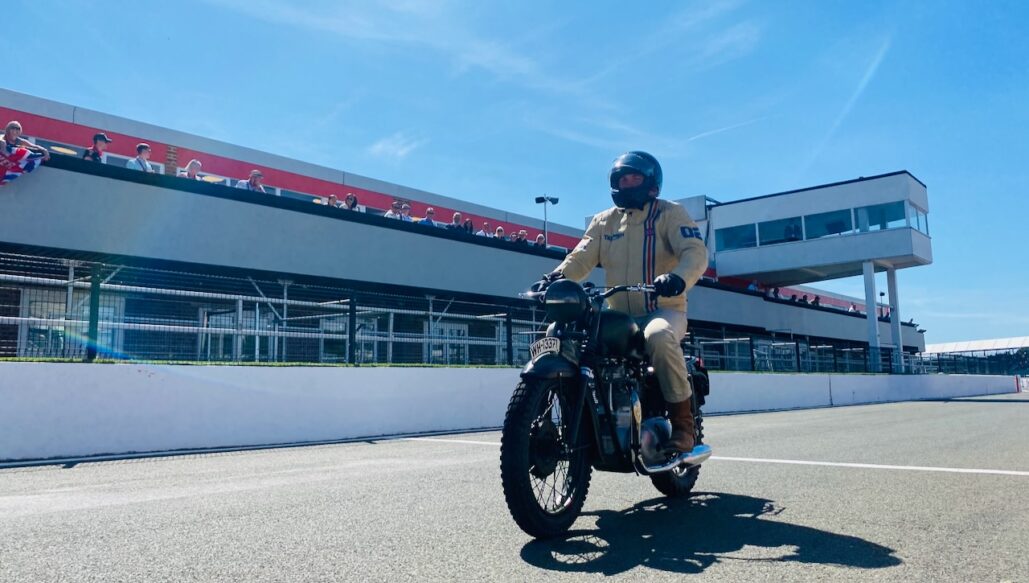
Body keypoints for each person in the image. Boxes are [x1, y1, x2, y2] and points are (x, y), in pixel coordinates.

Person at [533, 151, 707, 456]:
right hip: (616, 315)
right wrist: (554, 278)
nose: (627, 184)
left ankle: (684, 427)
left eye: (634, 178)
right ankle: (563, 411)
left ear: (651, 183)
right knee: (557, 331)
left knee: (659, 336)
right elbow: (581, 257)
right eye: (622, 179)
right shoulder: (604, 222)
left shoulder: (670, 213)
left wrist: (678, 277)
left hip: (662, 309)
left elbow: (695, 251)